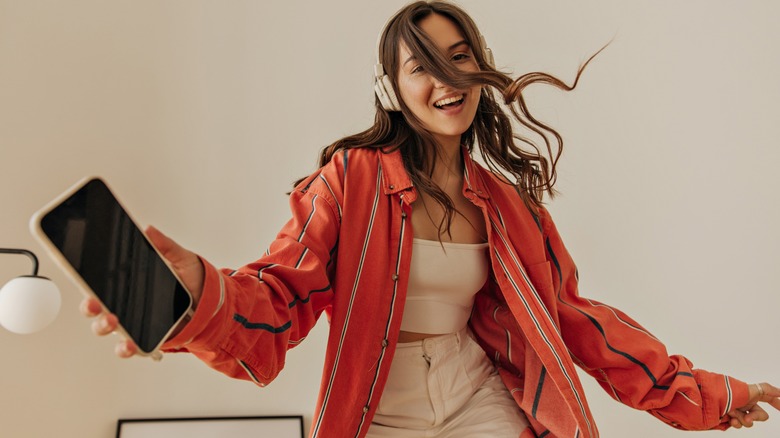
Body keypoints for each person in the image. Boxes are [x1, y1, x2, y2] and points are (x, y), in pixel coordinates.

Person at [82, 1, 779, 437]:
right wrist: (194, 298)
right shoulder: (350, 182)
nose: (445, 79)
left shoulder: (508, 208)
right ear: (391, 88)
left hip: (478, 394)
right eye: (421, 66)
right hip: (378, 404)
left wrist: (702, 396)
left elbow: (578, 322)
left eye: (459, 58)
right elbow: (277, 299)